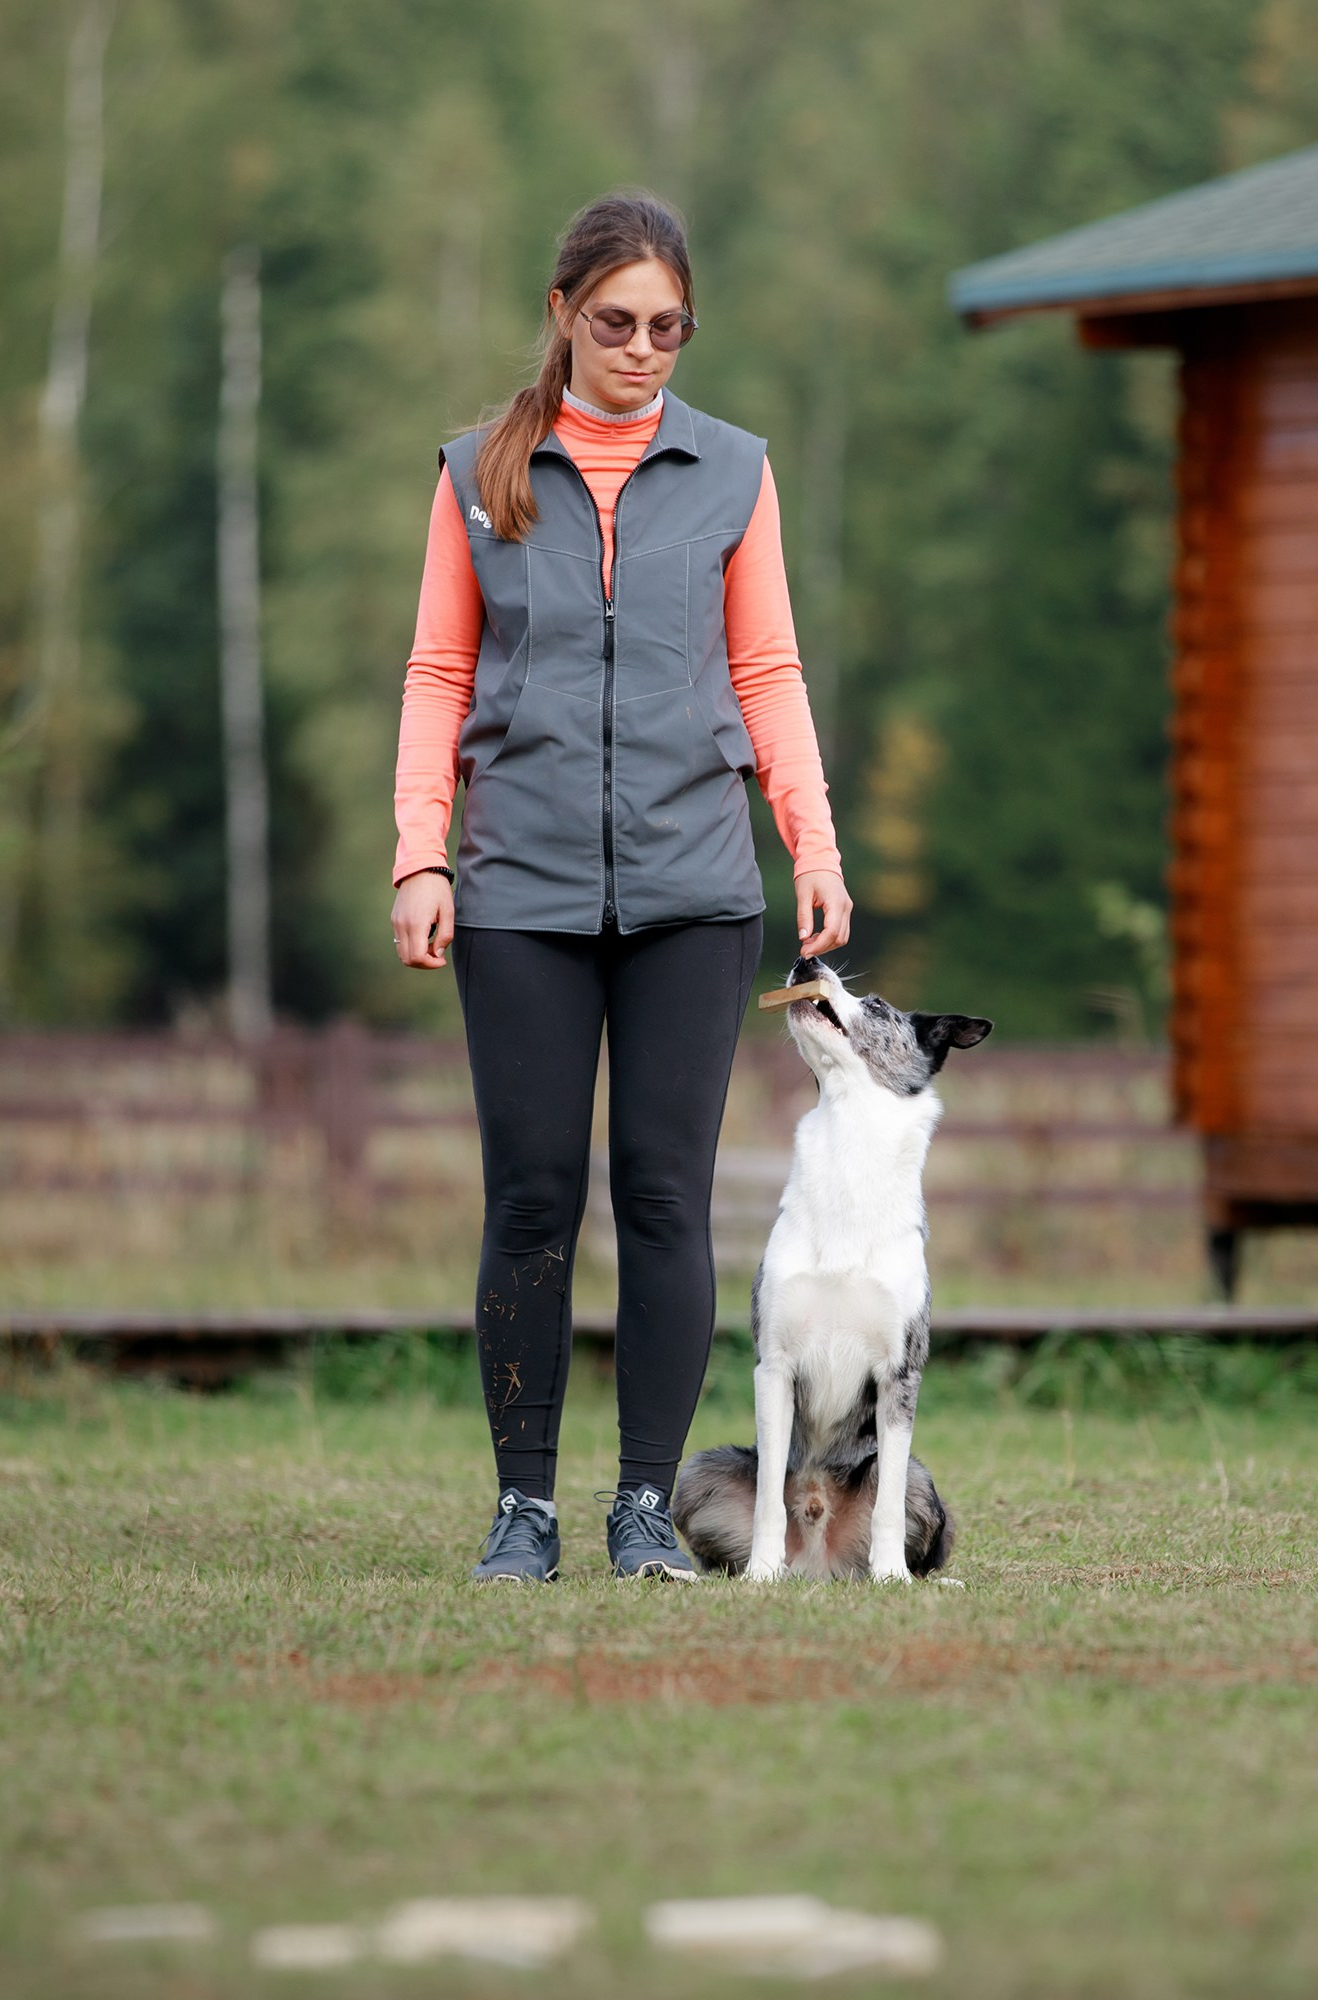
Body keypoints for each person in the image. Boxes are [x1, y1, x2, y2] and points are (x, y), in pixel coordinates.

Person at [390, 191, 851, 1582]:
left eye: (669, 328)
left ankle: (643, 1504)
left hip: (694, 897)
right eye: (617, 324)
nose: (645, 350)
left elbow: (766, 669)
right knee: (530, 1198)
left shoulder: (733, 472)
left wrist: (811, 845)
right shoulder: (481, 471)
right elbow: (437, 675)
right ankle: (521, 1510)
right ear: (561, 315)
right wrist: (421, 849)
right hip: (519, 891)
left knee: (665, 1197)